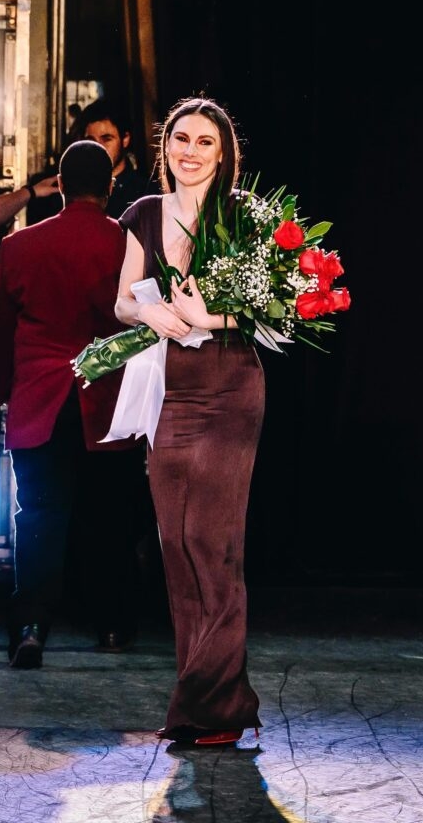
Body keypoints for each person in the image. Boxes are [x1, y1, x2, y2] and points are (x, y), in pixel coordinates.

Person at [115, 96, 265, 746]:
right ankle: (196, 700)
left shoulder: (244, 217)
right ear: (165, 146)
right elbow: (122, 299)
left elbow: (272, 310)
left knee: (212, 543)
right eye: (182, 138)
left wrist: (205, 318)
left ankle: (218, 708)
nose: (192, 150)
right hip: (169, 392)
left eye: (207, 141)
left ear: (224, 153)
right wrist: (147, 313)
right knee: (175, 546)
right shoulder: (144, 213)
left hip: (230, 389)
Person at [0, 141, 148, 668]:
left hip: (41, 400)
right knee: (110, 516)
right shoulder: (129, 244)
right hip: (109, 403)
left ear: (61, 184)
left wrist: (2, 393)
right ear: (111, 186)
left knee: (39, 517)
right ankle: (113, 624)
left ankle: (30, 624)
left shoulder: (21, 246)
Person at [27, 98, 150, 225]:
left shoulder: (145, 192)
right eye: (91, 139)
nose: (98, 146)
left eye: (107, 139)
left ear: (125, 139)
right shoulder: (63, 190)